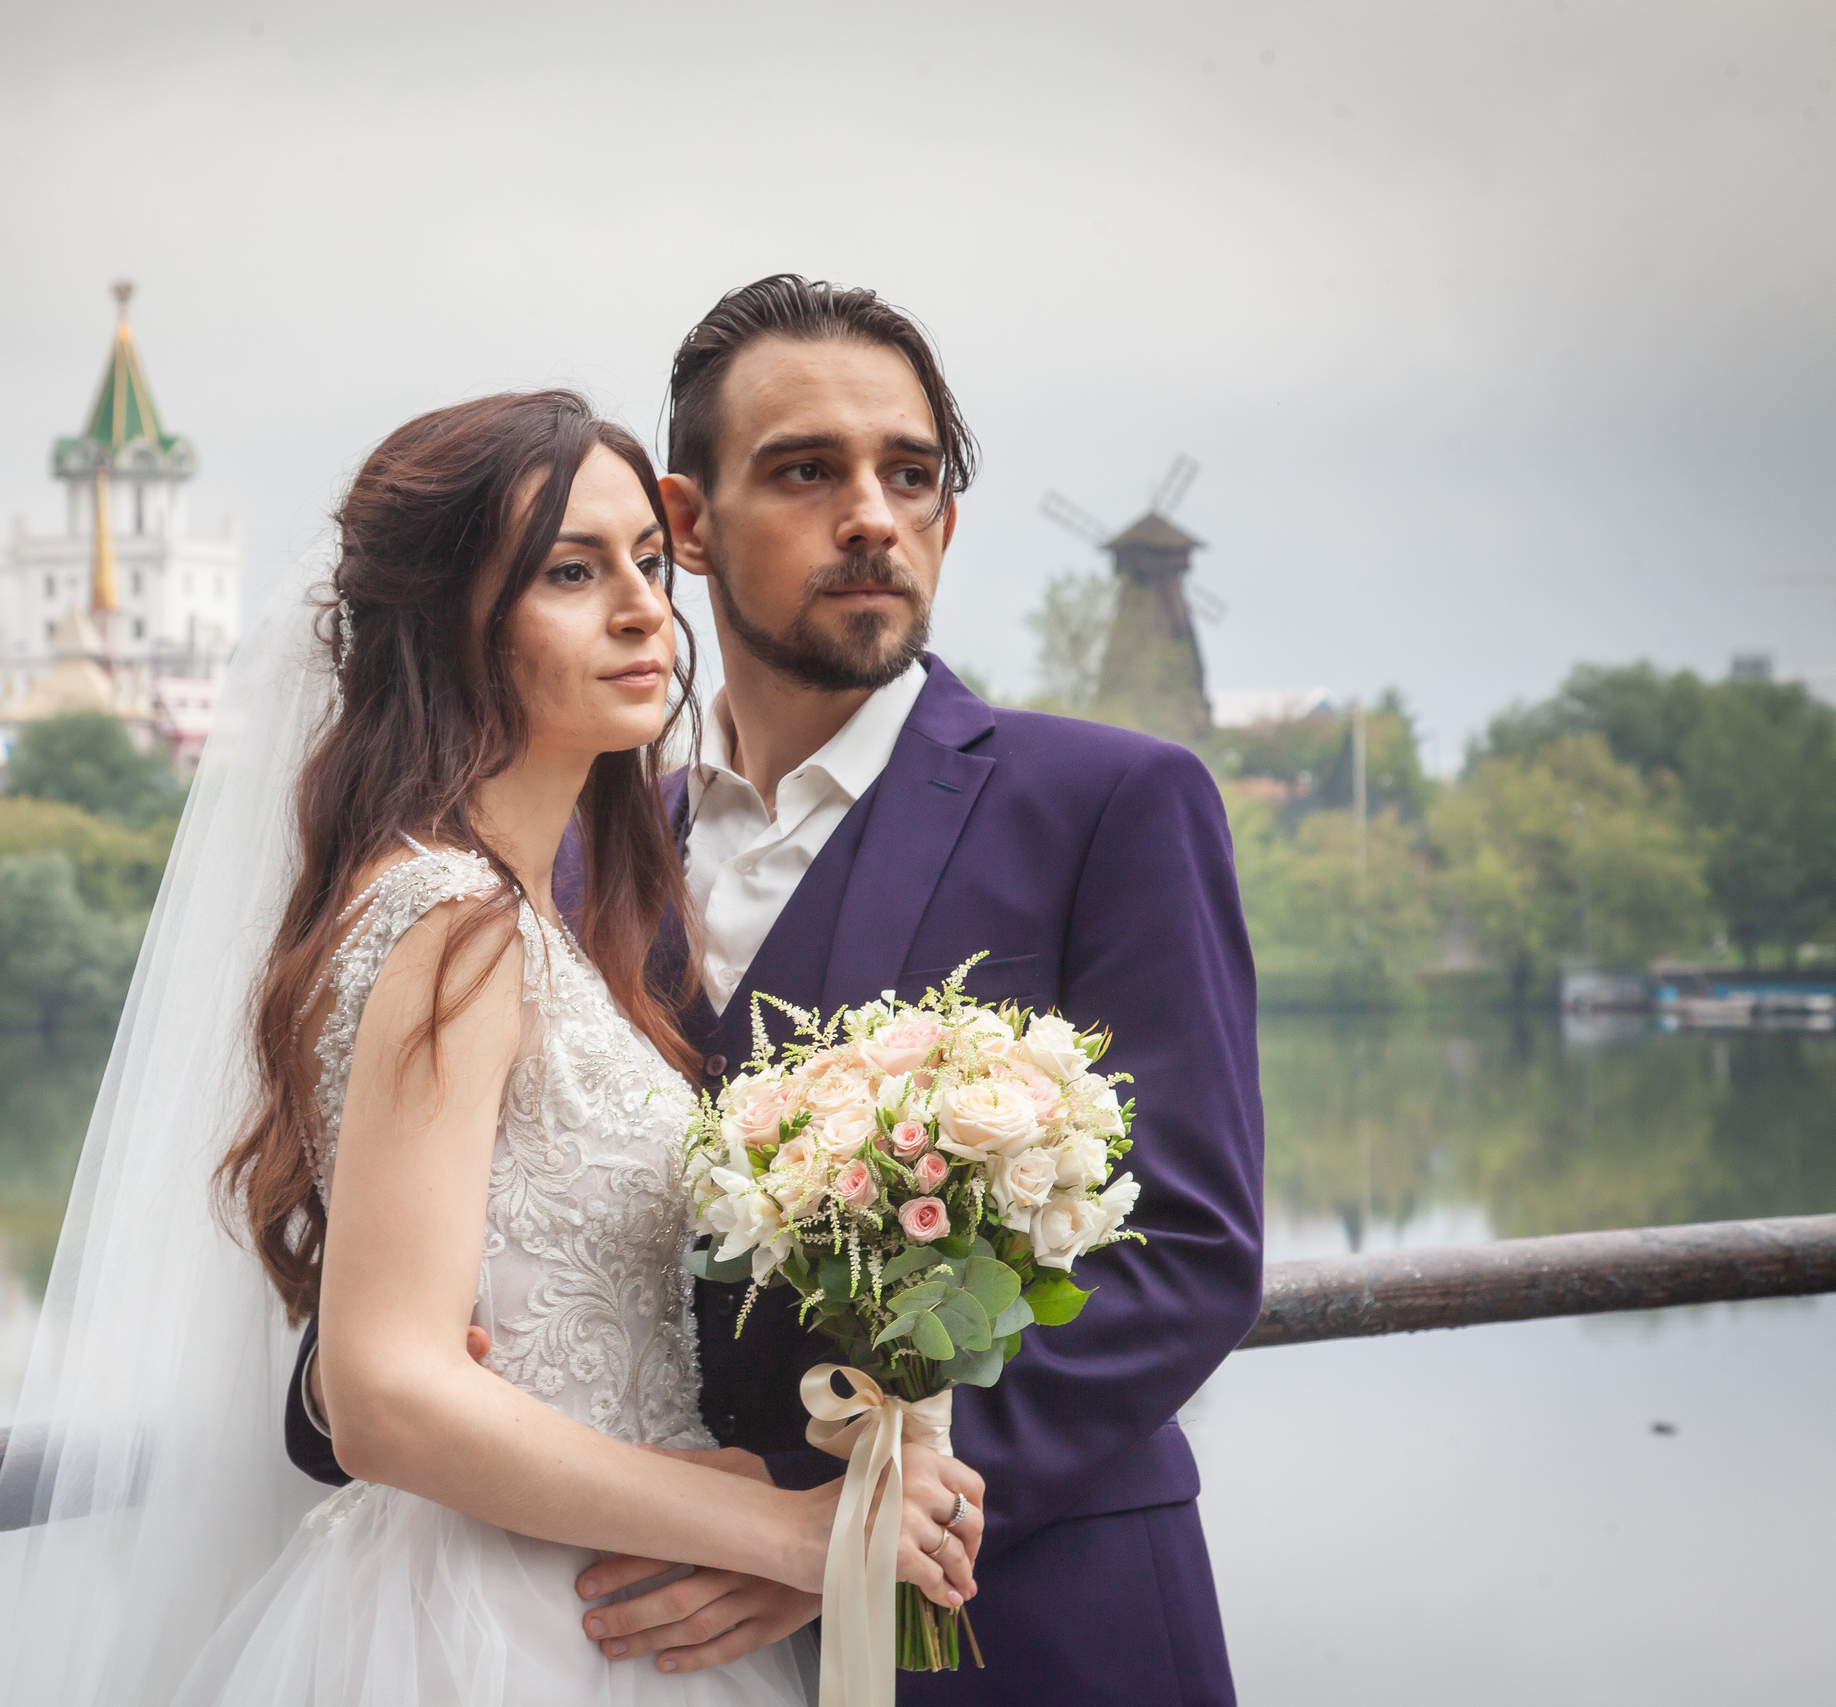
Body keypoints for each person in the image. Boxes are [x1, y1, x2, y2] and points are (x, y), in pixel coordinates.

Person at [285, 279, 1266, 1704]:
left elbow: (1186, 1250)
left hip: (1028, 1623)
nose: (871, 514)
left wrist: (841, 1519)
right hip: (617, 1628)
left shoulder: (1111, 805)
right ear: (689, 523)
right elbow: (427, 1273)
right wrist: (349, 1388)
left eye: (911, 474)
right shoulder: (546, 874)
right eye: (807, 470)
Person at [0, 389, 981, 1707]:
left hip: (601, 1595)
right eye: (570, 571)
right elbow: (381, 1391)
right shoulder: (452, 923)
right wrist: (793, 1533)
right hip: (505, 1633)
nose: (640, 610)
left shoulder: (537, 921)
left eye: (643, 560)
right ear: (453, 625)